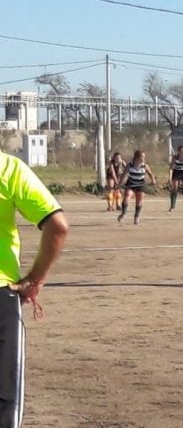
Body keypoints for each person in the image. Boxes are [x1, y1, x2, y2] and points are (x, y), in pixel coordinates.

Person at [0, 151, 68, 427]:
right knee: (5, 404)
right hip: (1, 295)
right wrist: (34, 279)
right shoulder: (8, 168)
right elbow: (58, 227)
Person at [117, 150, 158, 224]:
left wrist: (153, 180)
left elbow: (150, 173)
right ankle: (124, 213)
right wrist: (119, 183)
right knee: (127, 196)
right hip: (131, 183)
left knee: (139, 199)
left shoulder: (145, 166)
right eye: (142, 157)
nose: (143, 158)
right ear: (137, 157)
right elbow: (124, 174)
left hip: (140, 184)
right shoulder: (130, 165)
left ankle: (136, 217)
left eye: (144, 157)